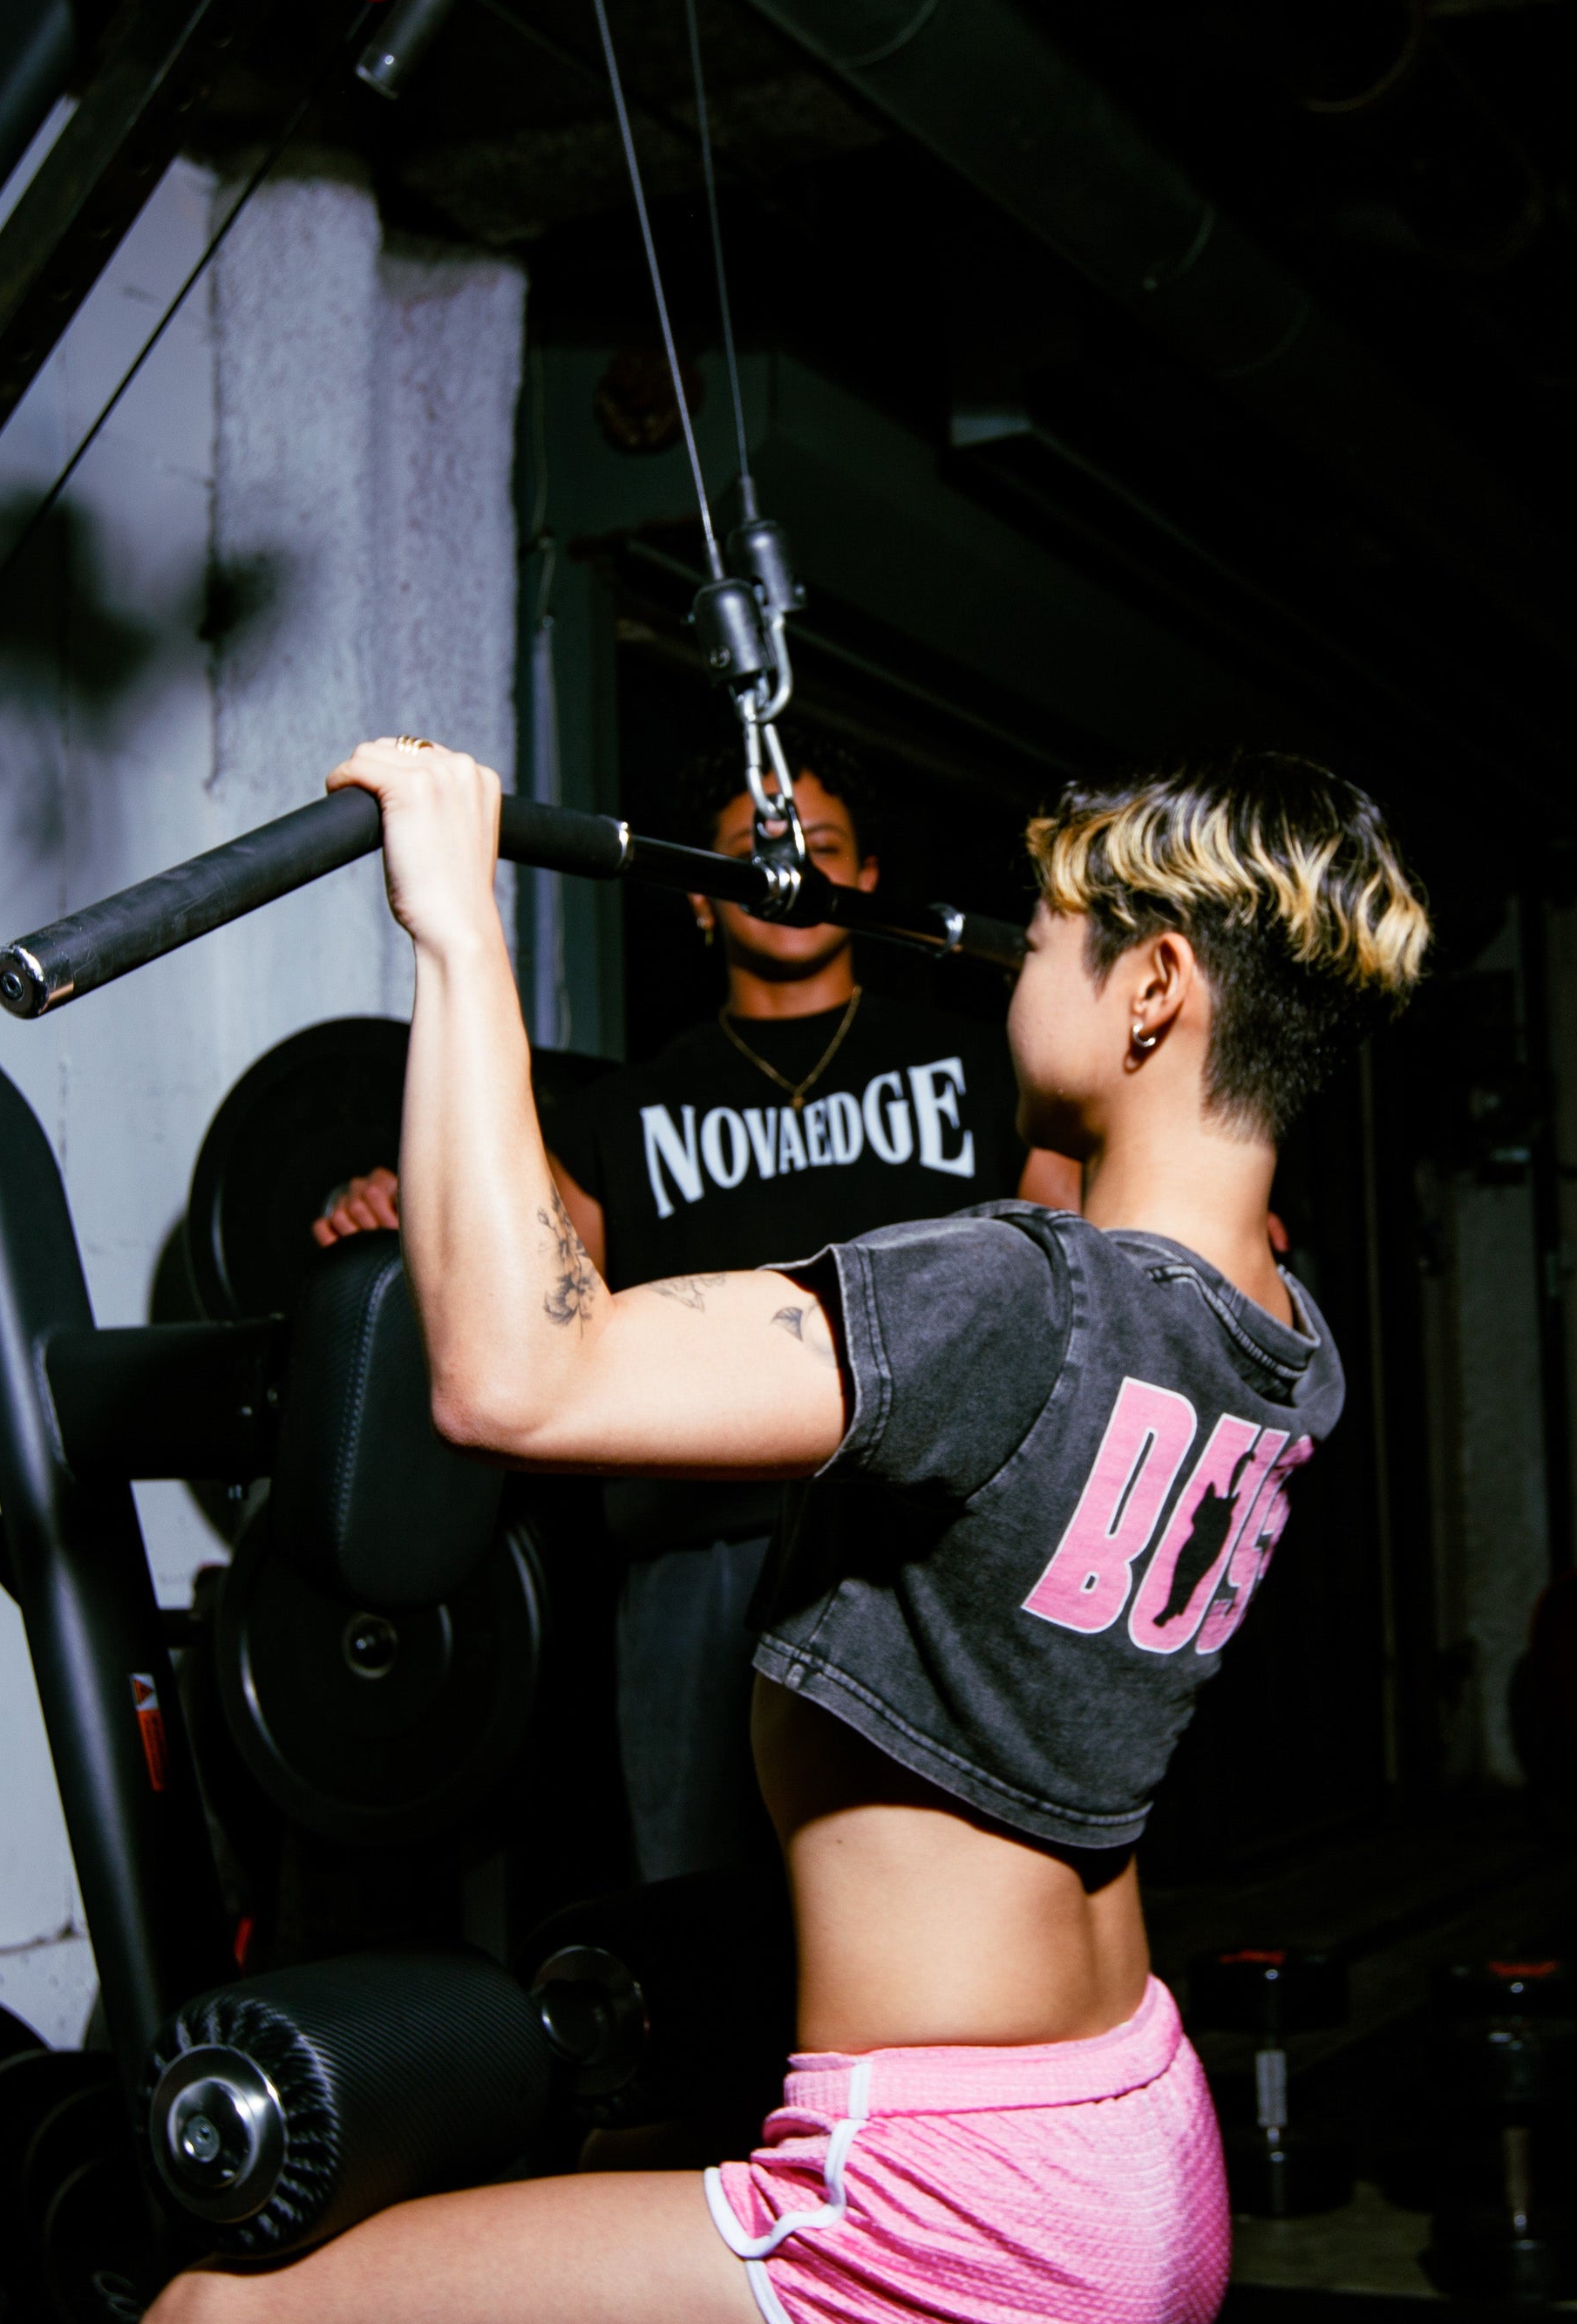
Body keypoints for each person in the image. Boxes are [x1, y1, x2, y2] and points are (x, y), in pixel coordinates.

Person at [133, 741, 1427, 2324]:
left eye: (1056, 930)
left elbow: (515, 1376)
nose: (1014, 964)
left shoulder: (1014, 1296)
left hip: (948, 2227)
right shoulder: (1280, 1334)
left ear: (1156, 990)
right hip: (1139, 2147)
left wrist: (451, 923)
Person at [317, 724, 1079, 1884]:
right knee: (702, 1917)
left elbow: (1096, 1246)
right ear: (698, 903)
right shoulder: (624, 1110)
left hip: (926, 1542)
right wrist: (393, 1201)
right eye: (750, 853)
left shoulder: (981, 1066)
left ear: (867, 878)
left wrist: (1194, 1220)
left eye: (819, 845)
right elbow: (507, 1267)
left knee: (950, 1895)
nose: (787, 870)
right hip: (695, 1561)